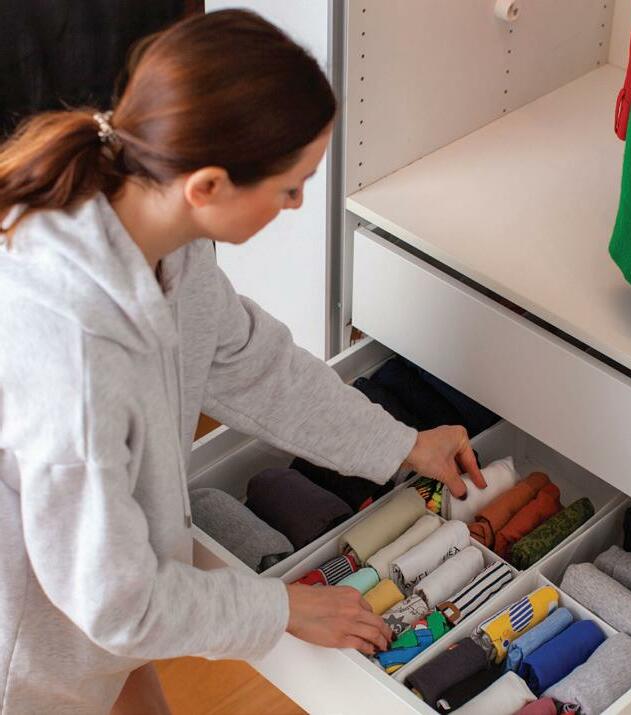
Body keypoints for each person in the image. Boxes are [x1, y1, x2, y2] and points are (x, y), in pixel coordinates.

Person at [0, 10, 487, 714]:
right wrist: (277, 608)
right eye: (289, 188)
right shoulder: (74, 354)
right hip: (29, 649)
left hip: (96, 596)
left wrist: (402, 444)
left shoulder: (165, 238)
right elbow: (114, 603)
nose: (296, 205)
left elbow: (258, 366)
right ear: (207, 186)